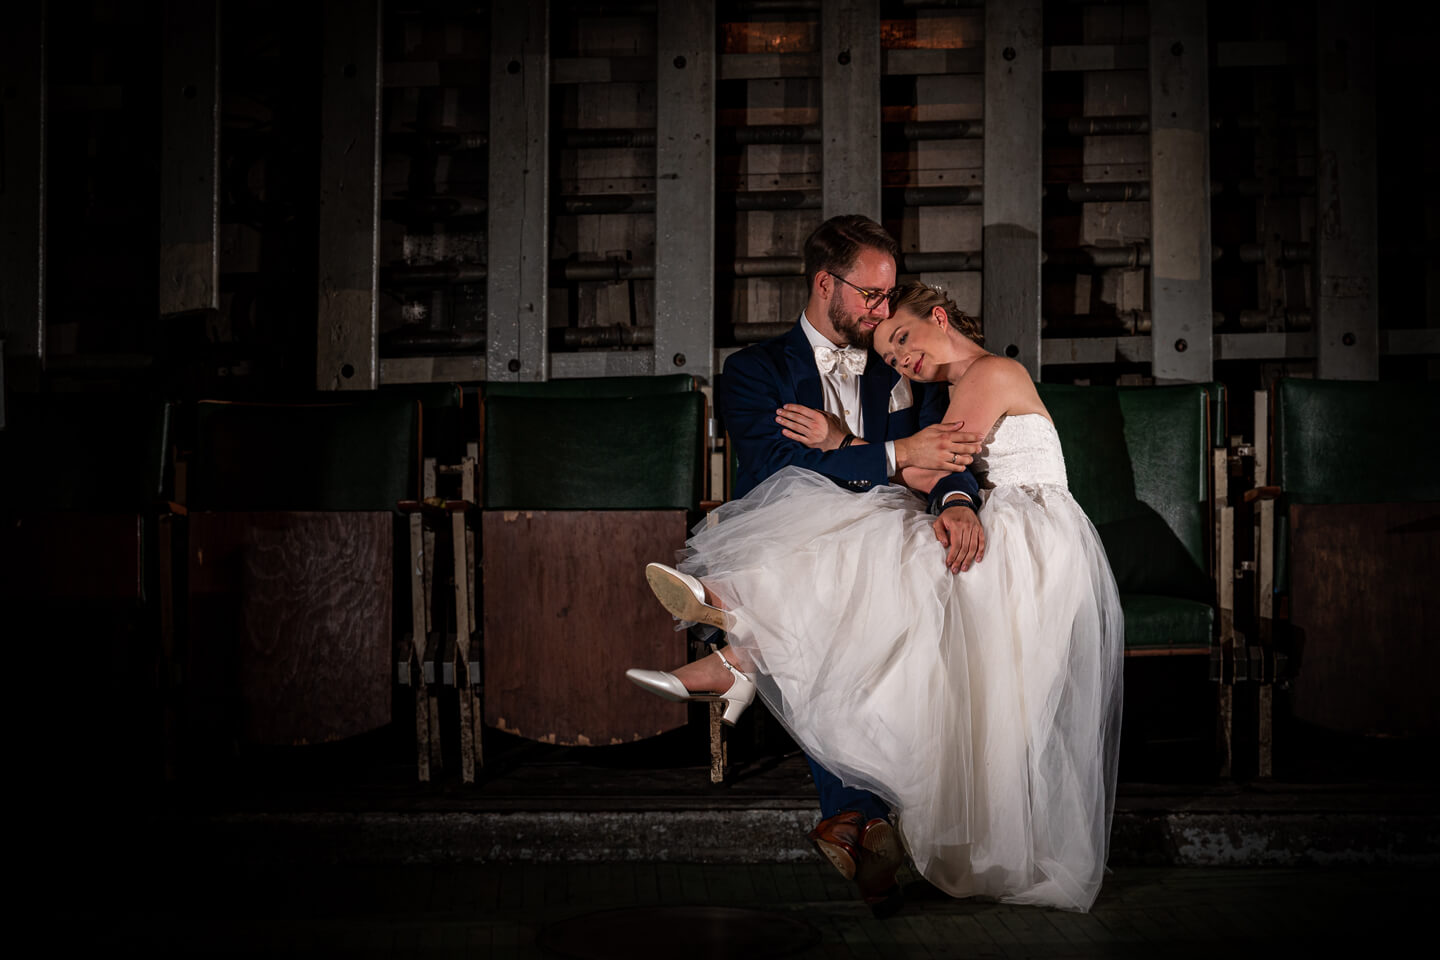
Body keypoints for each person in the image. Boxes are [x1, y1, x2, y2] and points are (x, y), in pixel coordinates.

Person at [629, 281, 1124, 913]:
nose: (902, 360)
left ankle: (739, 645)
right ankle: (742, 655)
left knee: (872, 541)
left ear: (939, 316)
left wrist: (841, 442)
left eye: (904, 340)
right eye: (890, 356)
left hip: (1027, 541)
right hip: (1004, 528)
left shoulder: (989, 373)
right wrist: (886, 457)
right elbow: (923, 466)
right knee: (869, 559)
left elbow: (934, 467)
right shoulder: (948, 385)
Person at [629, 215, 988, 910]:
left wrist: (956, 500)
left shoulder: (901, 358)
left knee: (834, 596)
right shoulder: (754, 371)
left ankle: (742, 648)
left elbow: (947, 446)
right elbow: (775, 471)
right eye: (872, 295)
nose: (884, 311)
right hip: (792, 535)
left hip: (883, 537)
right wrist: (894, 454)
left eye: (889, 296)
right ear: (827, 284)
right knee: (834, 589)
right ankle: (863, 818)